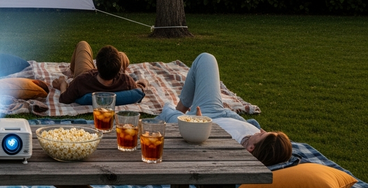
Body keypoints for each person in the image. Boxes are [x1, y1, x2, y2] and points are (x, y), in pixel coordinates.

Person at [154, 52, 292, 167]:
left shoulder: (228, 150)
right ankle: (181, 109)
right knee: (206, 59)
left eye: (262, 134)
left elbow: (201, 149)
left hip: (202, 124)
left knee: (168, 111)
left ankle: (178, 113)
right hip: (219, 111)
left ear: (251, 149)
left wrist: (198, 124)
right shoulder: (265, 145)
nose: (262, 130)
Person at [53, 41, 146, 105]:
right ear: (119, 69)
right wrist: (142, 83)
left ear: (96, 64)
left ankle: (72, 71)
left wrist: (62, 84)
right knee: (121, 55)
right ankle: (119, 57)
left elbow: (64, 99)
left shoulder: (81, 81)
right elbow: (139, 89)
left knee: (83, 44)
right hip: (110, 74)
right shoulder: (126, 81)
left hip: (86, 72)